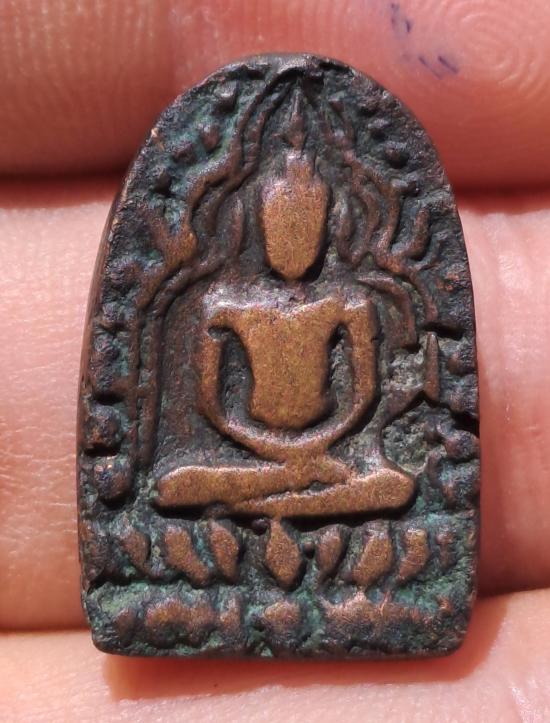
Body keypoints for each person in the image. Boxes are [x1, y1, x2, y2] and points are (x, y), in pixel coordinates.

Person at [1, 0, 550, 719]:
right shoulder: (222, 305)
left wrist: (316, 451)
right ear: (258, 220)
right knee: (176, 484)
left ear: (328, 221)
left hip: (329, 460)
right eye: (281, 223)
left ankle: (275, 521)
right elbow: (211, 406)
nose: (295, 239)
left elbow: (360, 401)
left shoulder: (349, 305)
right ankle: (283, 512)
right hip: (259, 461)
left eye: (307, 224)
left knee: (392, 486)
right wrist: (280, 455)